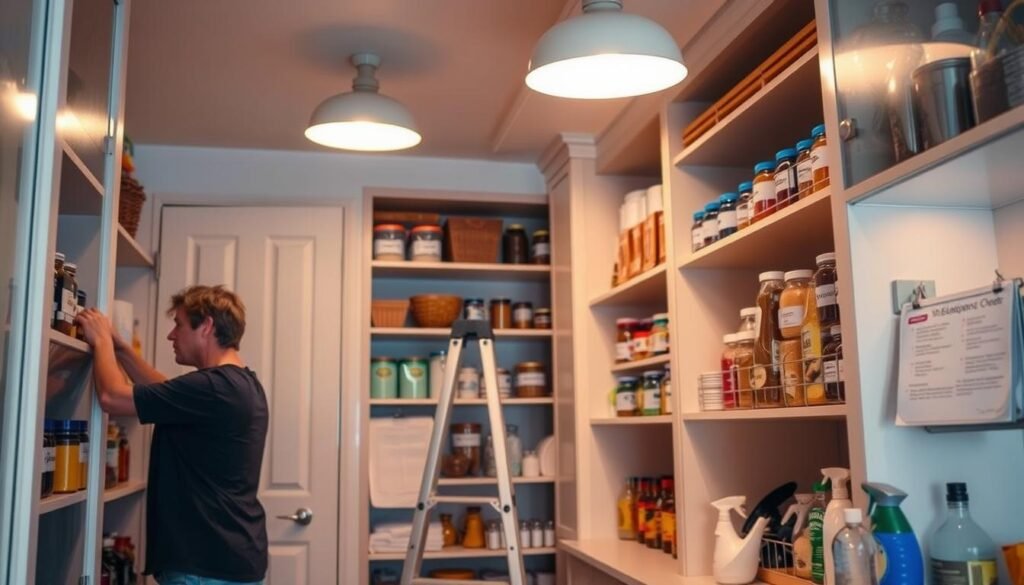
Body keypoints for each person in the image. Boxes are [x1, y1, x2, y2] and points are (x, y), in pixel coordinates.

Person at [76, 285, 268, 585]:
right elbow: (165, 392)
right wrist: (121, 348)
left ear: (205, 326)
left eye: (178, 324)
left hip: (204, 567)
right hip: (225, 559)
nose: (171, 335)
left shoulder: (214, 387)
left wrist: (100, 341)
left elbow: (112, 397)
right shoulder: (239, 384)